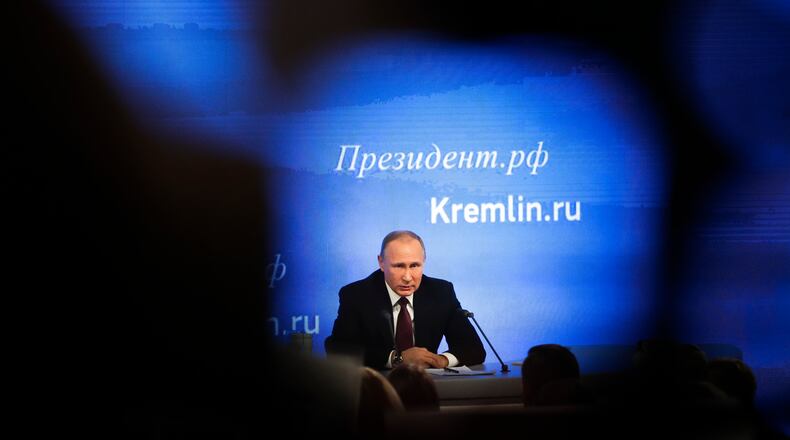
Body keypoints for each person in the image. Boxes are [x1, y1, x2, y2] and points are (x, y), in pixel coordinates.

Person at [325, 230, 485, 369]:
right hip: (376, 387)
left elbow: (474, 348)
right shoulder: (357, 295)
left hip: (428, 386)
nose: (408, 277)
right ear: (381, 263)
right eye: (399, 266)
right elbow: (338, 349)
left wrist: (442, 360)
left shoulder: (441, 292)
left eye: (414, 266)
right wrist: (396, 358)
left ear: (424, 261)